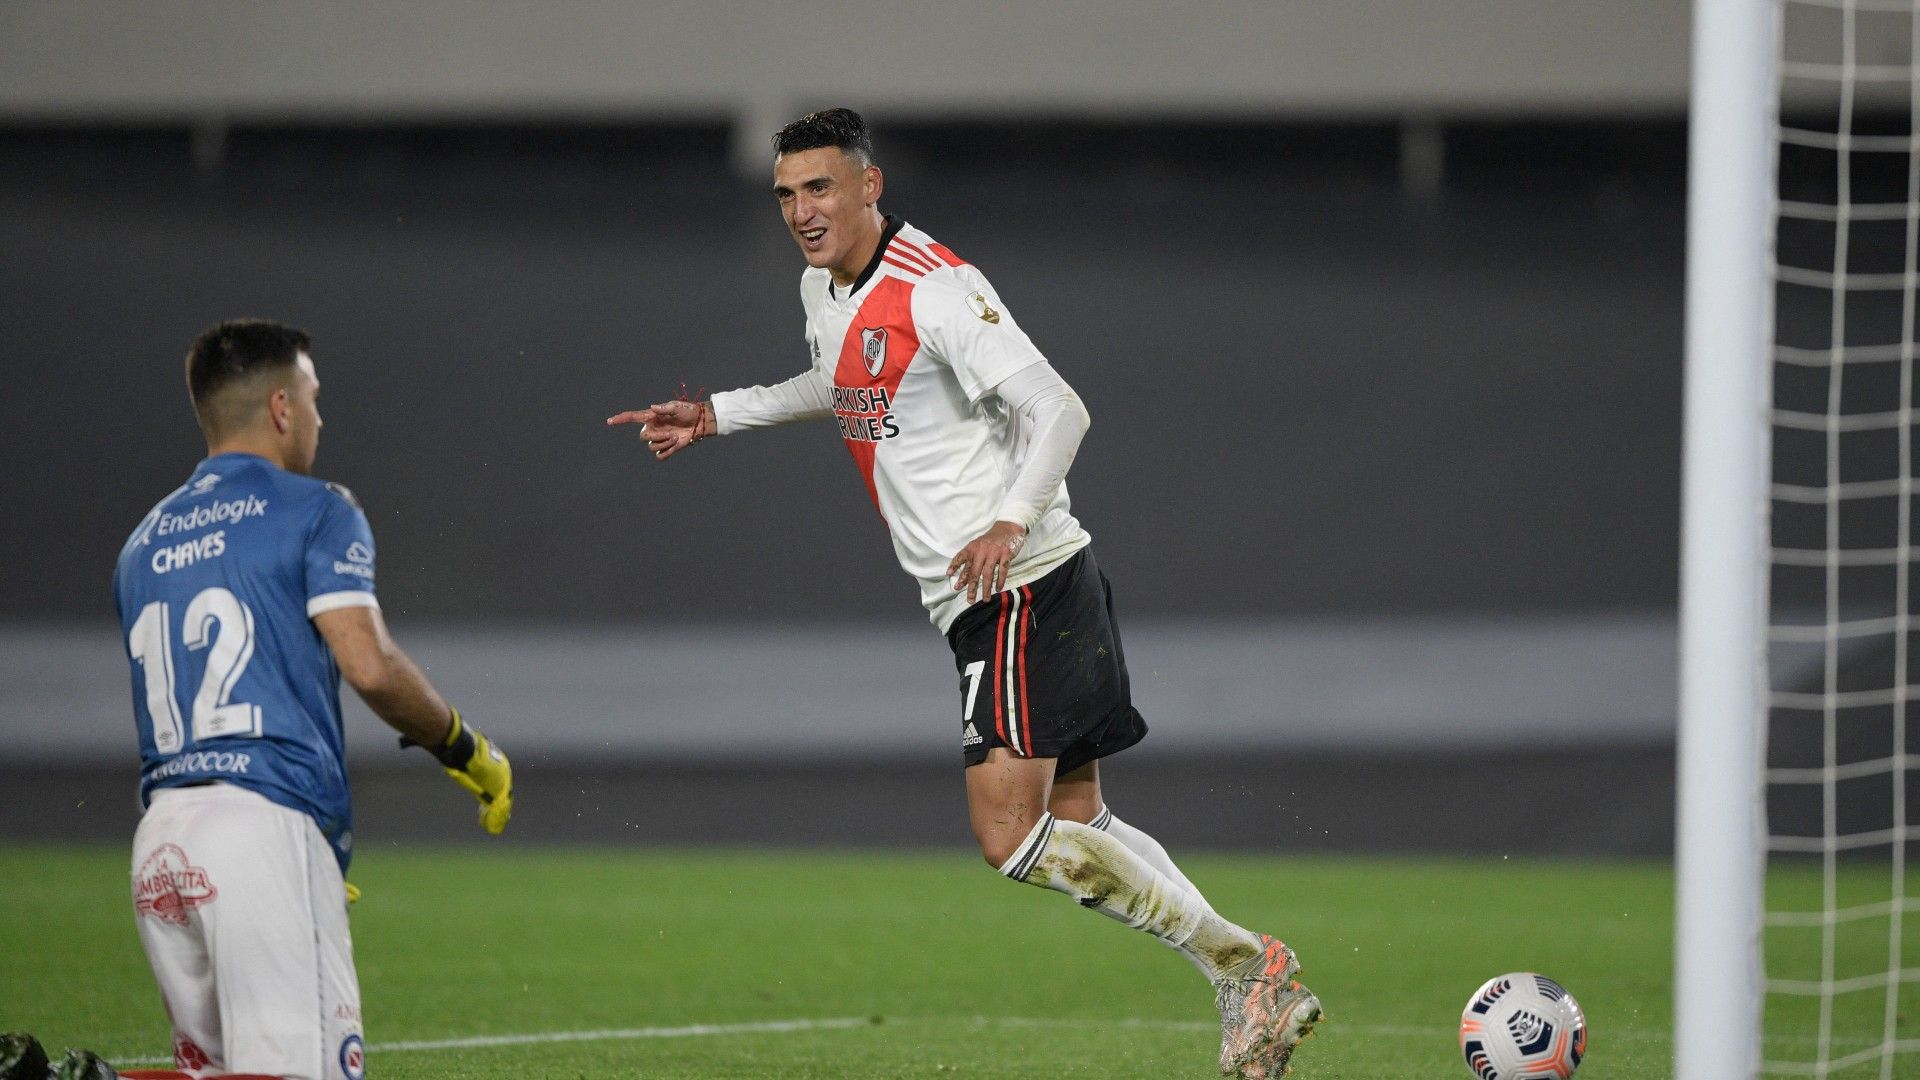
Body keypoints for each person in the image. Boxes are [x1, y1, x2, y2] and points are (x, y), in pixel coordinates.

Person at [607, 108, 1321, 1078]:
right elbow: (843, 383)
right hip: (1006, 593)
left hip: (1019, 586)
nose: (802, 211)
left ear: (871, 184)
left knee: (1006, 834)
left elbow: (1057, 408)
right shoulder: (825, 287)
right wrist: (718, 416)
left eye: (820, 188)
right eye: (785, 194)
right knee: (1075, 820)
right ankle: (1244, 975)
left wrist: (1009, 520)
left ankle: (1245, 962)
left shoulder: (938, 290)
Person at [101, 319, 514, 1080]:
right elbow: (369, 664)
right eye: (316, 399)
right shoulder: (315, 508)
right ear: (284, 407)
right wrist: (464, 747)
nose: (322, 418)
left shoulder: (142, 542)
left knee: (216, 1071)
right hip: (262, 822)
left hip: (161, 839)